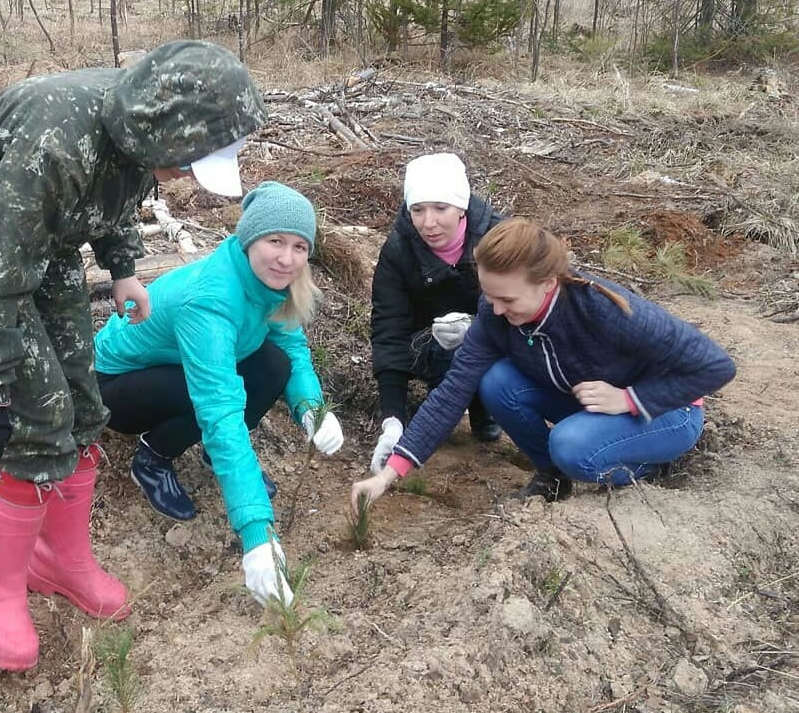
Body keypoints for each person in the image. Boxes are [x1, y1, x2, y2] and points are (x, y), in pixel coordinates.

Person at [0, 40, 267, 671]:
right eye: (187, 164)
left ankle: (61, 560)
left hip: (45, 229)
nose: (184, 175)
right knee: (36, 413)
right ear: (163, 133)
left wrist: (123, 267)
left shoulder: (138, 120)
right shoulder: (56, 138)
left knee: (81, 399)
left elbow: (118, 186)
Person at [353, 217, 736, 510]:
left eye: (508, 300)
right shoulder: (496, 312)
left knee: (569, 446)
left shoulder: (606, 310)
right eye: (489, 296)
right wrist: (390, 474)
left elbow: (717, 367)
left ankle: (650, 466)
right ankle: (552, 477)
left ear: (548, 283)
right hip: (591, 397)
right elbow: (453, 391)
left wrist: (631, 399)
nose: (496, 310)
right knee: (496, 381)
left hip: (669, 410)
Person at [95, 181, 344, 606]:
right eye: (275, 241)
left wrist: (311, 407)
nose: (287, 258)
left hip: (176, 365)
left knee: (274, 365)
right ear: (250, 239)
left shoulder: (274, 284)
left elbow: (291, 347)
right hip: (116, 385)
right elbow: (219, 410)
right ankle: (152, 458)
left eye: (299, 246)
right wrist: (256, 533)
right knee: (208, 399)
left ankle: (213, 457)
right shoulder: (211, 300)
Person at [369, 153, 504, 474]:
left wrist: (477, 327)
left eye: (440, 208)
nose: (428, 223)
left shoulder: (500, 239)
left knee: (485, 354)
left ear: (462, 207)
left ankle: (487, 407)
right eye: (418, 210)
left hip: (496, 343)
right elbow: (389, 328)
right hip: (427, 346)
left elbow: (531, 311)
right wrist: (393, 420)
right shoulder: (399, 250)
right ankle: (441, 412)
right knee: (445, 347)